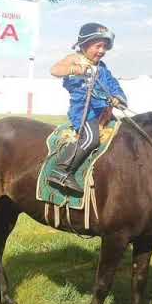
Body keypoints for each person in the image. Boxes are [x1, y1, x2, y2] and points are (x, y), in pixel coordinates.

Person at [47, 22, 127, 194]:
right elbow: (55, 70)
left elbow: (113, 85)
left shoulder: (103, 68)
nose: (102, 50)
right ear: (84, 45)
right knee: (91, 138)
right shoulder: (75, 58)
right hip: (84, 112)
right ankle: (62, 170)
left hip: (104, 112)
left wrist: (118, 98)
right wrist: (75, 69)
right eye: (98, 46)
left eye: (105, 47)